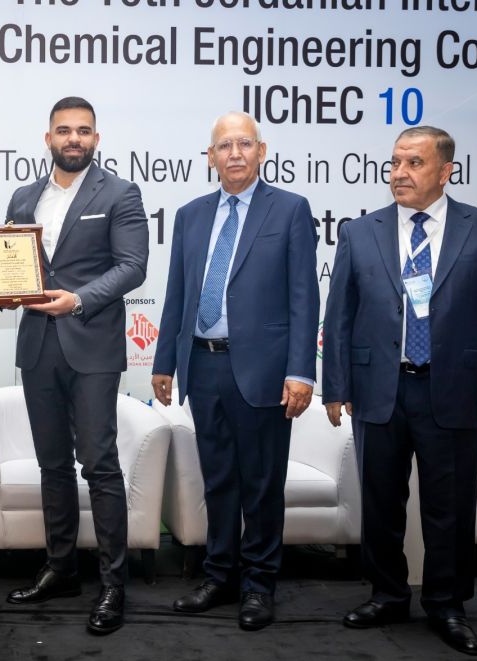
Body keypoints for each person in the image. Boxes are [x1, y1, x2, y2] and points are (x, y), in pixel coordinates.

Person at [321, 126, 477, 656]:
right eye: (394, 162)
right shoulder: (360, 233)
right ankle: (387, 594)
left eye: (413, 163)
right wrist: (336, 387)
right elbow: (339, 316)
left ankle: (447, 604)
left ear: (445, 171)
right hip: (379, 390)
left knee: (448, 507)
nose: (399, 173)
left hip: (454, 390)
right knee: (380, 502)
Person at [151, 111, 318, 631]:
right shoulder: (190, 215)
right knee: (219, 480)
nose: (235, 153)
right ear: (211, 157)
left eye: (245, 143)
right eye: (224, 146)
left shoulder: (289, 209)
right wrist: (164, 360)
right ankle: (219, 576)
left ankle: (259, 585)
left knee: (262, 484)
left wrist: (301, 370)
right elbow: (178, 293)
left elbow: (304, 296)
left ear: (261, 152)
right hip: (202, 365)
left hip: (264, 371)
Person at [3, 96, 149, 635]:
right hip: (38, 347)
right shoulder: (23, 198)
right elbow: (12, 265)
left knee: (100, 465)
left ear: (96, 139)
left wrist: (79, 299)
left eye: (83, 131)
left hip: (92, 347)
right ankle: (61, 568)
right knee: (52, 465)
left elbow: (132, 266)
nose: (73, 139)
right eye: (64, 130)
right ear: (48, 139)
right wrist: (2, 289)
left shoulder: (120, 193)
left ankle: (113, 583)